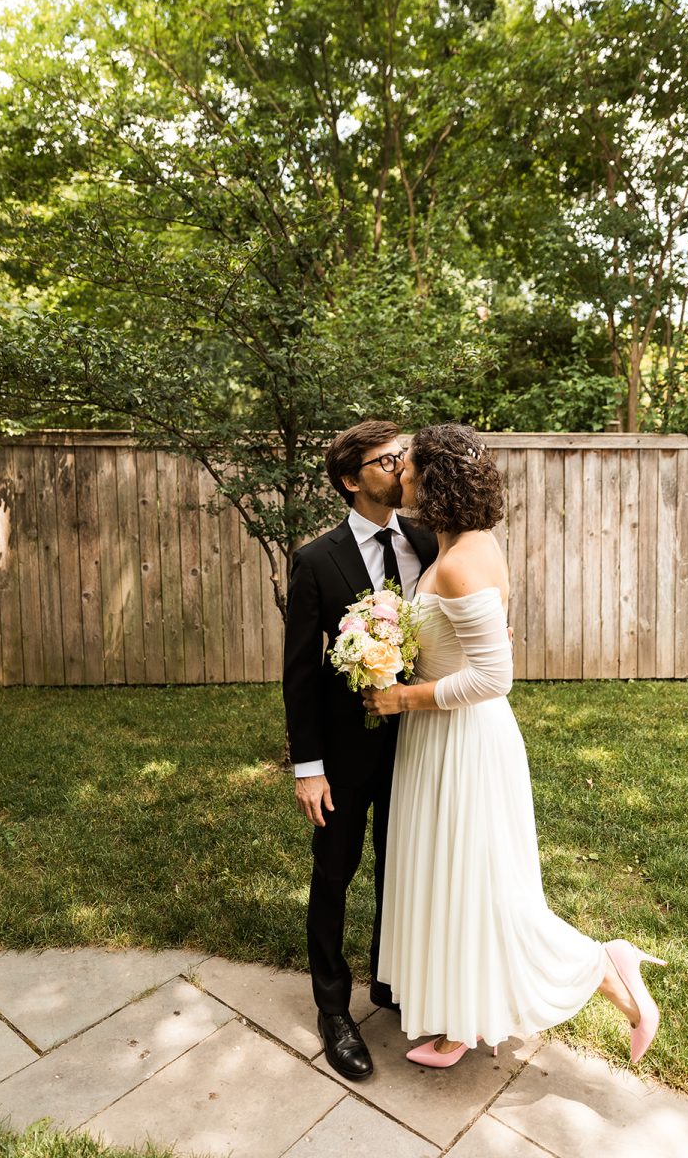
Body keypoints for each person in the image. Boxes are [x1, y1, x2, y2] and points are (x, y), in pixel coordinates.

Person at [364, 422, 666, 1069]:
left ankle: (607, 967)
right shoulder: (456, 544)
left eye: (410, 466)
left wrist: (404, 698)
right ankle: (460, 1022)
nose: (401, 475)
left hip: (464, 742)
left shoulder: (465, 555)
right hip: (437, 741)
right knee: (457, 884)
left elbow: (495, 677)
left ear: (436, 477)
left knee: (490, 891)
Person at [283, 420, 438, 1081]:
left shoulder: (428, 544)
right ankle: (332, 1007)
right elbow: (298, 671)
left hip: (418, 744)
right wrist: (308, 768)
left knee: (401, 865)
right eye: (387, 460)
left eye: (403, 455)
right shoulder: (317, 560)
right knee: (335, 869)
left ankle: (389, 980)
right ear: (353, 480)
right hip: (343, 750)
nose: (403, 467)